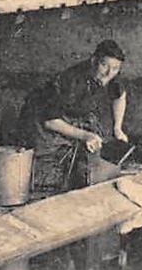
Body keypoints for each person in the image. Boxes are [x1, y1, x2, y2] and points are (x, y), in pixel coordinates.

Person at [20, 39, 129, 195]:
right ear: (94, 60)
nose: (109, 73)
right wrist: (85, 135)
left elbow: (120, 96)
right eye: (104, 65)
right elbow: (50, 121)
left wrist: (118, 128)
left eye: (115, 68)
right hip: (42, 120)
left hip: (73, 115)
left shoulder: (111, 74)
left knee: (96, 142)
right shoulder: (71, 80)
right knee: (49, 167)